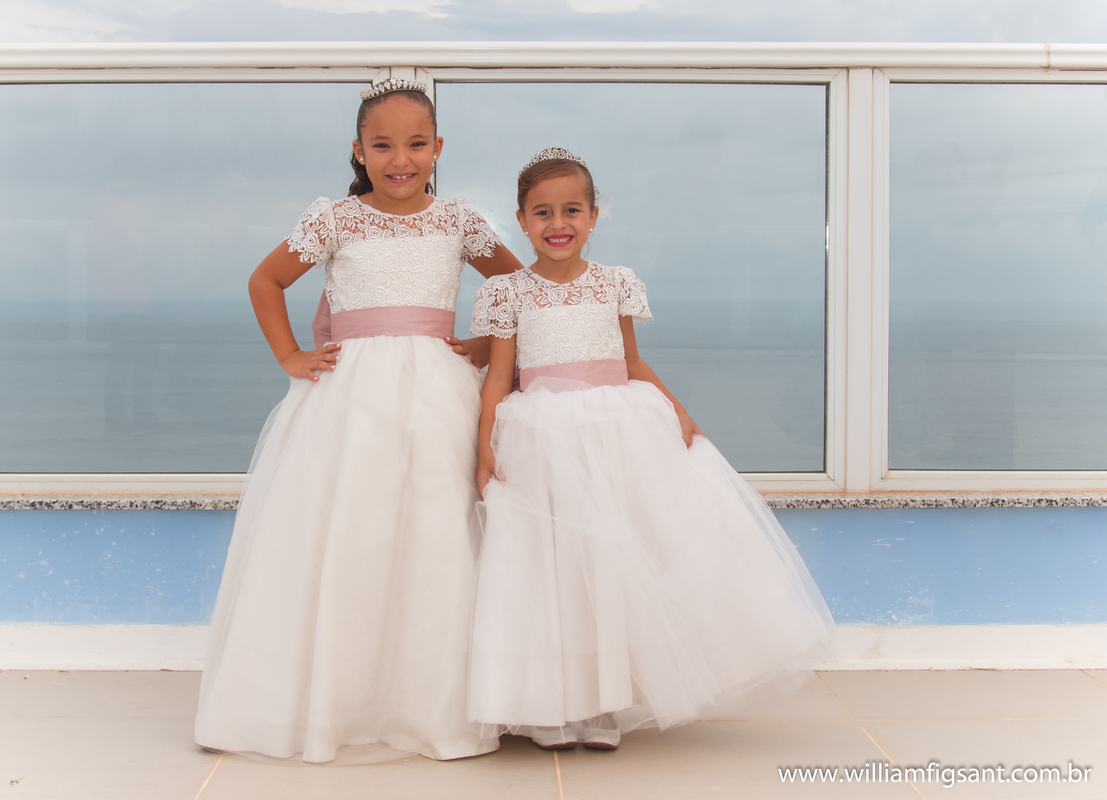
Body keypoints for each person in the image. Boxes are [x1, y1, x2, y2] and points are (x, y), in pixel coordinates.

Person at [194, 78, 522, 763]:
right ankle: (333, 701)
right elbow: (266, 280)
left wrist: (487, 344)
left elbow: (517, 287)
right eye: (382, 144)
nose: (399, 158)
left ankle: (430, 702)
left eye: (415, 143)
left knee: (434, 534)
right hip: (350, 397)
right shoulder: (336, 219)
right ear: (358, 150)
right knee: (349, 531)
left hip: (438, 390)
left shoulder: (457, 219)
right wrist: (290, 353)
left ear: (438, 148)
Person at [467, 147, 835, 751]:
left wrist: (675, 407)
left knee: (614, 566)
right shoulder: (508, 292)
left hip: (616, 433)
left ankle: (607, 702)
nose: (557, 225)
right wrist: (486, 449)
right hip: (543, 440)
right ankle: (556, 706)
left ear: (592, 217)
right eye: (542, 213)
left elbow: (631, 362)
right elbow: (497, 379)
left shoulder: (615, 282)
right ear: (521, 219)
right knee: (554, 568)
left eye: (571, 211)